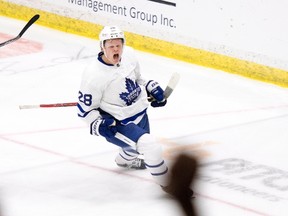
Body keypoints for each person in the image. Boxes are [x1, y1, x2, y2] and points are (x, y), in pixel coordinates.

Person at [77, 26, 171, 190]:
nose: (115, 49)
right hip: (119, 121)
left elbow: (139, 79)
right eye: (111, 46)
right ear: (102, 47)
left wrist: (151, 87)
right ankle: (170, 184)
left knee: (134, 148)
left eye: (118, 45)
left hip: (139, 113)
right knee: (150, 145)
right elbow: (85, 110)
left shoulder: (129, 55)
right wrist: (98, 125)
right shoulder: (93, 75)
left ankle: (124, 160)